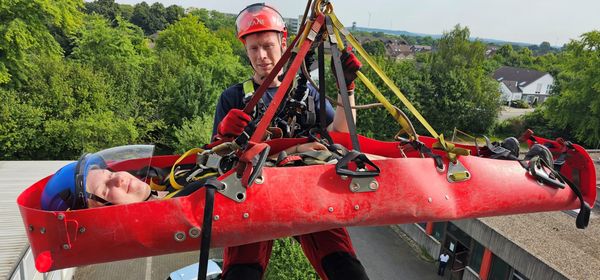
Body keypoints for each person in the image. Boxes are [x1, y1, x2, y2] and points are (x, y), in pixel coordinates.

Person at [212, 3, 368, 280]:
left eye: (268, 46)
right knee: (241, 274)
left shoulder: (307, 94)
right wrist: (223, 135)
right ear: (245, 50)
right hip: (253, 195)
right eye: (253, 48)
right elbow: (213, 159)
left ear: (284, 43)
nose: (261, 56)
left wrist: (347, 88)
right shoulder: (235, 99)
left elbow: (341, 133)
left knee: (347, 271)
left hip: (307, 192)